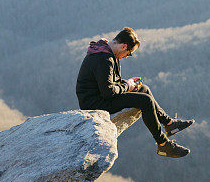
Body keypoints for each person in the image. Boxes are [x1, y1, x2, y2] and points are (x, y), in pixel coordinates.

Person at [76, 27, 193, 158]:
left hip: (99, 96)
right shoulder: (103, 59)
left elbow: (108, 83)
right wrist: (127, 85)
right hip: (94, 103)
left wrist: (129, 84)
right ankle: (163, 145)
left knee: (144, 89)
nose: (127, 56)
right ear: (124, 46)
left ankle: (169, 124)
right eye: (129, 53)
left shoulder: (106, 52)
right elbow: (108, 92)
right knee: (145, 101)